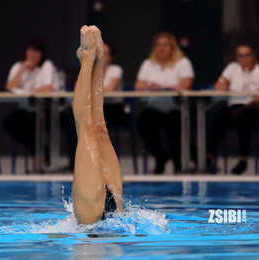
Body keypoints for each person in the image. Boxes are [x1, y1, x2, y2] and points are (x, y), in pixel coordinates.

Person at [72, 25, 123, 224]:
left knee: (88, 129)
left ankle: (88, 58)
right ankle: (97, 58)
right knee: (99, 127)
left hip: (89, 221)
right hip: (112, 215)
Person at [135, 32, 194, 174]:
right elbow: (138, 86)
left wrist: (162, 86)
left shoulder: (183, 62)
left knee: (173, 126)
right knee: (143, 121)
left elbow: (186, 85)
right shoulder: (148, 63)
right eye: (159, 45)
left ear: (172, 47)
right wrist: (151, 87)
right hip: (154, 107)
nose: (162, 48)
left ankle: (178, 164)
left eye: (165, 45)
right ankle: (160, 156)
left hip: (176, 107)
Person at [207, 43, 259, 175]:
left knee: (244, 119)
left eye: (247, 55)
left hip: (254, 108)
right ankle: (208, 158)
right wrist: (221, 85)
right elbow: (218, 85)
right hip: (233, 107)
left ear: (254, 56)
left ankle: (243, 161)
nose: (244, 58)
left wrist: (245, 107)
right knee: (218, 118)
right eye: (240, 56)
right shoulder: (232, 68)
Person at [2, 38, 58, 170]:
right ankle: (41, 151)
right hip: (26, 109)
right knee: (9, 123)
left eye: (36, 51)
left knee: (33, 123)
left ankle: (38, 156)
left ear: (42, 53)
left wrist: (29, 91)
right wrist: (22, 68)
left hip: (45, 109)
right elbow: (10, 86)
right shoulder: (18, 66)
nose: (32, 54)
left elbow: (48, 87)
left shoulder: (46, 65)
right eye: (30, 50)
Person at [102, 42, 128, 127]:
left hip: (113, 107)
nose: (101, 56)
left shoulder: (116, 69)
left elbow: (110, 90)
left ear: (111, 57)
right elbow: (78, 89)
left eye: (104, 53)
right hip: (96, 107)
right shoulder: (89, 71)